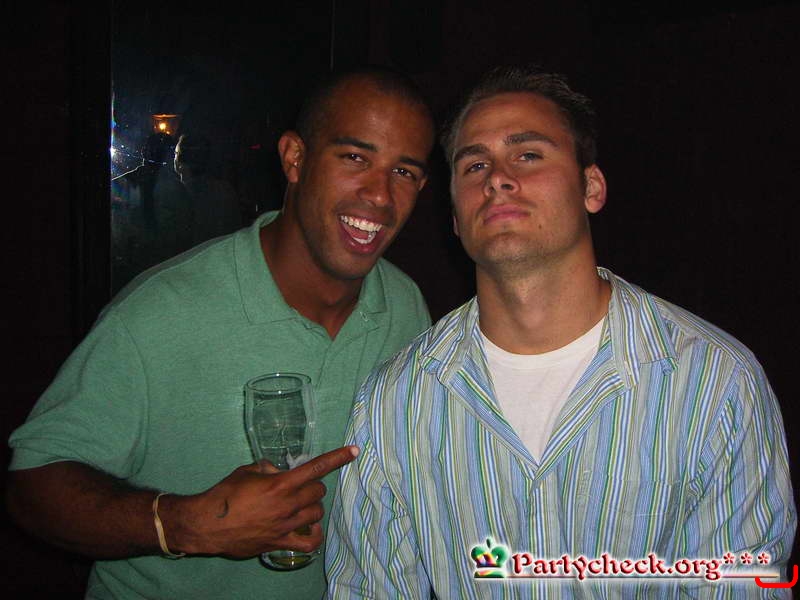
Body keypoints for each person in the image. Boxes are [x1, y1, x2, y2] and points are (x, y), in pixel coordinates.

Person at [326, 65, 796, 598]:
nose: (497, 178)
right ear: (454, 217)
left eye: (528, 155)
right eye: (474, 165)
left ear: (590, 186)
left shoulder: (713, 383)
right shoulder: (395, 399)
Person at [7, 66, 435, 599]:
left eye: (404, 172)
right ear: (294, 158)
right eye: (354, 158)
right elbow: (33, 483)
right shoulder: (162, 311)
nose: (380, 195)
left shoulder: (405, 309)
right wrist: (186, 524)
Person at [111, 131, 193, 293]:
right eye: (155, 150)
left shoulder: (176, 190)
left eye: (161, 151)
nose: (157, 155)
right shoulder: (176, 190)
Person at [172, 132, 243, 243]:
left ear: (181, 163)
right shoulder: (225, 189)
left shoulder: (179, 197)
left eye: (176, 153)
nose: (173, 158)